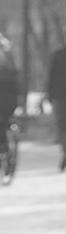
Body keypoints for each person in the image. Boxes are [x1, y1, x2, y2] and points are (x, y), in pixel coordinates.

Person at [44, 39, 66, 171]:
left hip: (59, 96)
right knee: (61, 126)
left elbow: (51, 76)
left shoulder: (58, 54)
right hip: (59, 96)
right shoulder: (58, 54)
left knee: (61, 126)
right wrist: (49, 94)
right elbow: (51, 76)